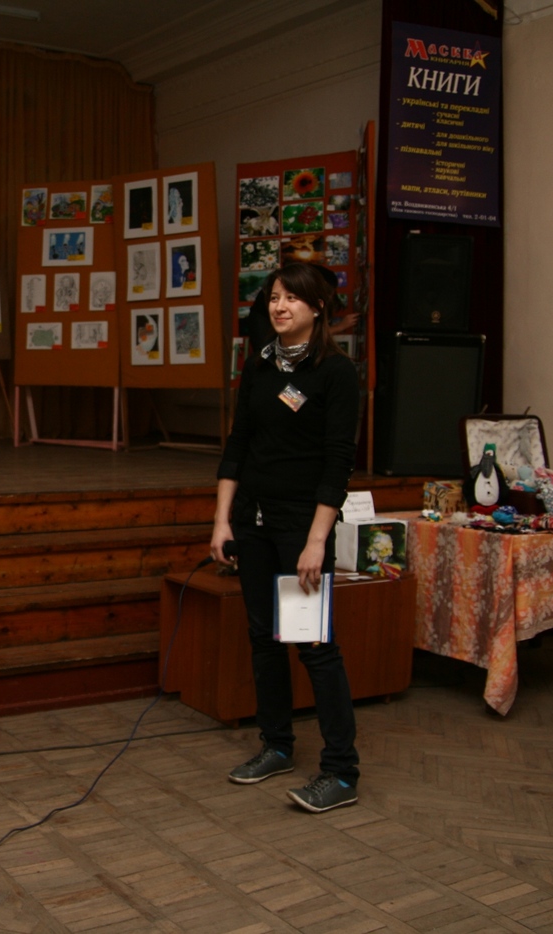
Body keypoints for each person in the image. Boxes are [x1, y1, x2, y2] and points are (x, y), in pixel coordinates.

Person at [209, 261, 361, 813]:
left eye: (292, 298)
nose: (279, 306)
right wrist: (222, 520)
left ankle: (341, 772)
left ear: (317, 308)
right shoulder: (258, 366)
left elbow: (338, 463)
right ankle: (276, 746)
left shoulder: (335, 373)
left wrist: (317, 541)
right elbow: (238, 444)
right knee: (264, 639)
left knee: (313, 646)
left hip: (301, 528)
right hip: (252, 522)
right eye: (274, 297)